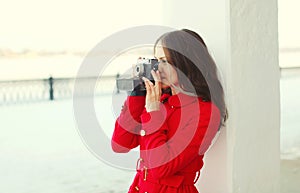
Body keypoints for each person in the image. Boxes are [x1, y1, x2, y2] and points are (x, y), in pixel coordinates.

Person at [111, 29, 228, 193]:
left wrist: (153, 113)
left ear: (186, 63)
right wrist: (137, 94)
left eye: (165, 61)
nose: (158, 69)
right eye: (156, 61)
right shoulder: (160, 101)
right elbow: (120, 144)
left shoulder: (205, 112)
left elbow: (161, 169)